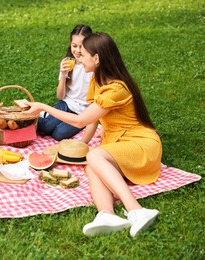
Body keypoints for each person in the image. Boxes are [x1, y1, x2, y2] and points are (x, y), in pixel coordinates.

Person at [24, 32, 161, 237]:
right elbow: (94, 119)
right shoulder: (97, 81)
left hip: (142, 145)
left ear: (96, 59)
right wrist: (82, 144)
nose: (79, 57)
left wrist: (42, 107)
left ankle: (137, 210)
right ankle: (106, 214)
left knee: (95, 156)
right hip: (120, 142)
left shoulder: (116, 88)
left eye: (84, 55)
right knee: (92, 162)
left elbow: (81, 120)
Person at [38, 24, 97, 143]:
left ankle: (45, 115)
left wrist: (88, 119)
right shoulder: (68, 63)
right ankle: (30, 117)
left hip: (82, 112)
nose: (78, 50)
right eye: (74, 46)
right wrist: (63, 74)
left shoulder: (92, 67)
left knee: (58, 134)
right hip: (66, 104)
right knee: (45, 127)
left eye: (82, 47)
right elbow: (60, 96)